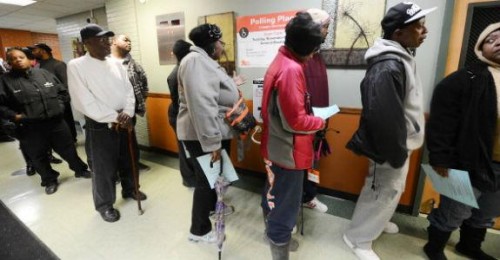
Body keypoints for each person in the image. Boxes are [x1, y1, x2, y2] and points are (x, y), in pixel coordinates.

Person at [343, 2, 436, 260]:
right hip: (391, 145)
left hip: (399, 142)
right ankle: (357, 239)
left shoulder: (400, 57)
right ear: (398, 33)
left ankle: (377, 222)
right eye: (418, 26)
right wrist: (394, 152)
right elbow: (382, 116)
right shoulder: (388, 65)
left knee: (388, 189)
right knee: (381, 189)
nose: (424, 31)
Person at [424, 22, 500, 260]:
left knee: (487, 211)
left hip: (498, 163)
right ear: (480, 46)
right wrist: (440, 158)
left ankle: (469, 246)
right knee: (455, 210)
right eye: (492, 39)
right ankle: (433, 248)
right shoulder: (463, 79)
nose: (499, 43)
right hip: (467, 161)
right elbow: (441, 123)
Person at [260, 12, 325, 260]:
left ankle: (275, 237)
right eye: (312, 50)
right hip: (287, 153)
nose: (312, 56)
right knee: (285, 209)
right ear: (304, 47)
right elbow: (295, 121)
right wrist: (320, 121)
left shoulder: (280, 60)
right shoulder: (291, 70)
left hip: (275, 148)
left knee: (272, 196)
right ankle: (279, 245)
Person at [67, 24, 146, 223]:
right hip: (100, 125)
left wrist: (127, 113)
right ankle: (105, 205)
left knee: (130, 159)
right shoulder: (76, 66)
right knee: (104, 168)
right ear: (87, 43)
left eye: (108, 39)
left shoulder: (116, 63)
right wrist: (114, 116)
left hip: (125, 121)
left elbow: (129, 91)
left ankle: (130, 189)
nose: (107, 43)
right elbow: (83, 100)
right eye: (101, 40)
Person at [0, 47, 91, 195]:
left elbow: (62, 92)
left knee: (68, 149)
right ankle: (49, 180)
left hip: (56, 122)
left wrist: (59, 107)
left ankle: (80, 170)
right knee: (38, 156)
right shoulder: (5, 81)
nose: (18, 60)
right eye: (13, 59)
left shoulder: (43, 73)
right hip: (30, 127)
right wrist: (14, 116)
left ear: (28, 59)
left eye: (21, 57)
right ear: (9, 63)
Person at [177, 23, 237, 243]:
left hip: (210, 131)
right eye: (221, 42)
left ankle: (212, 208)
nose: (223, 46)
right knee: (206, 181)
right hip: (200, 135)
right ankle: (199, 231)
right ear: (213, 44)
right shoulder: (194, 62)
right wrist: (212, 143)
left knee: (214, 179)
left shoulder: (204, 61)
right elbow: (202, 106)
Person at [300, 8, 332, 214]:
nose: (327, 32)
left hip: (318, 119)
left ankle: (309, 196)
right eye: (325, 27)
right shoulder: (299, 58)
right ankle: (292, 206)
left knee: (313, 161)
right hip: (301, 123)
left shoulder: (317, 55)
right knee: (297, 166)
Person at [110, 34, 151, 173]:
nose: (129, 42)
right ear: (114, 42)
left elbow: (144, 84)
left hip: (129, 111)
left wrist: (137, 103)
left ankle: (133, 164)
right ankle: (114, 171)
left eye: (130, 40)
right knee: (113, 143)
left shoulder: (133, 64)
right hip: (111, 114)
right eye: (125, 40)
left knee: (130, 139)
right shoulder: (105, 64)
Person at [30, 43, 77, 143]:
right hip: (46, 104)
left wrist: (62, 102)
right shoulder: (38, 67)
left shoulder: (58, 64)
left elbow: (66, 84)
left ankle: (72, 141)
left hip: (60, 102)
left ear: (43, 51)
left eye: (35, 50)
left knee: (66, 123)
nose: (32, 52)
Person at [167, 39, 196, 188]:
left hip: (182, 115)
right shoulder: (176, 75)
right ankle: (188, 179)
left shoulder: (185, 69)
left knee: (188, 148)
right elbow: (179, 103)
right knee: (185, 149)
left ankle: (192, 177)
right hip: (178, 116)